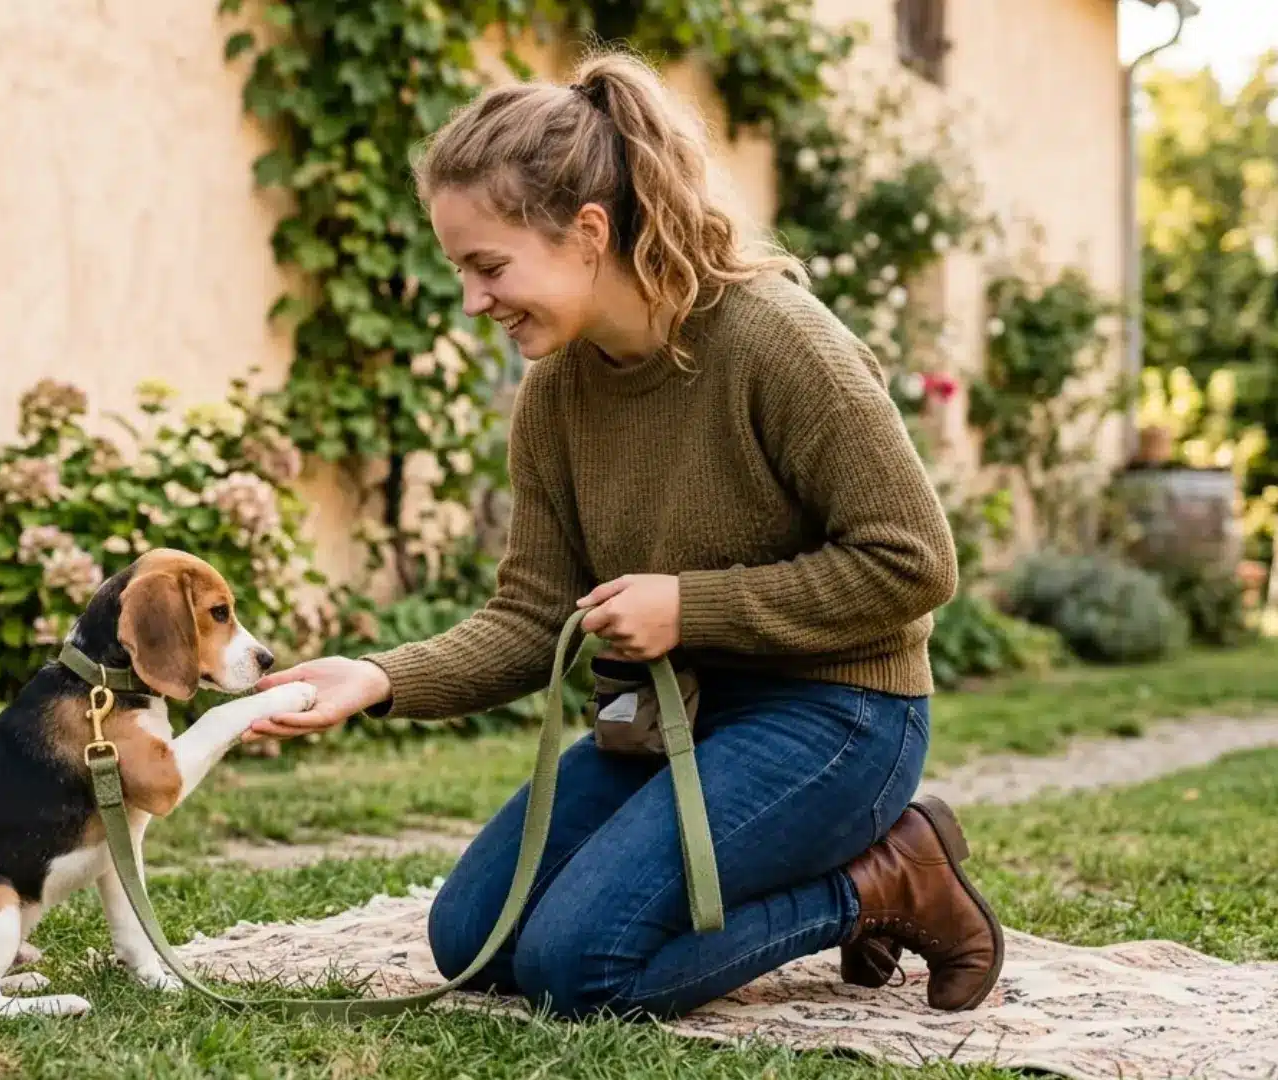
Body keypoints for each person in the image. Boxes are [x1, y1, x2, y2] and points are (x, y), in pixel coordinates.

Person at [248, 48, 1005, 1020]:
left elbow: (915, 561)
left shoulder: (777, 342)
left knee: (580, 965)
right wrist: (382, 678)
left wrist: (692, 606)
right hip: (665, 716)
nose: (474, 301)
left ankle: (887, 879)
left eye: (488, 266)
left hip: (836, 716)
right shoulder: (556, 392)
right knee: (476, 941)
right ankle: (839, 881)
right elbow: (532, 615)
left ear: (588, 231)